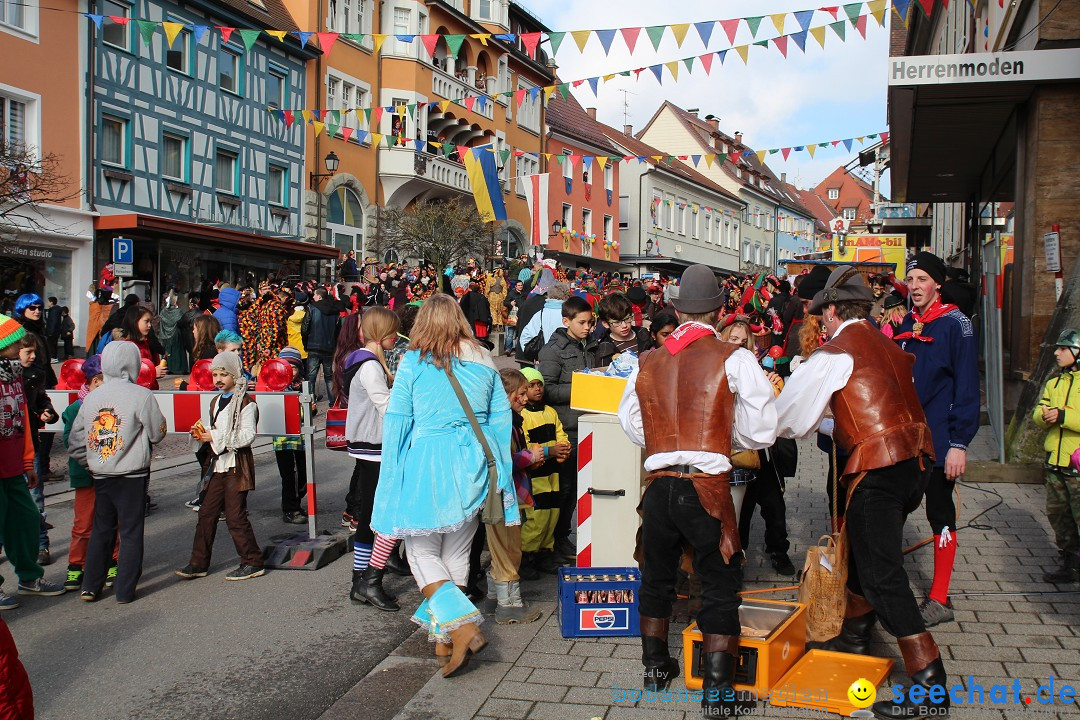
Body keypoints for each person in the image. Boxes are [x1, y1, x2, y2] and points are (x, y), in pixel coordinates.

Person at [775, 267, 948, 720]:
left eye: (822, 316)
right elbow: (860, 409)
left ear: (832, 311)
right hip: (914, 463)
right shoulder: (886, 345)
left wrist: (759, 415)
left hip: (880, 467)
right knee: (863, 555)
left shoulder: (836, 353)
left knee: (882, 574)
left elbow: (791, 419)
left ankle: (931, 686)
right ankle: (853, 641)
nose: (822, 325)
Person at [617, 265, 777, 719]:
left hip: (660, 484)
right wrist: (724, 441)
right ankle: (719, 691)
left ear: (679, 308)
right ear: (719, 311)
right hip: (706, 486)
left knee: (657, 578)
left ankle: (654, 667)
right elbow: (762, 428)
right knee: (719, 582)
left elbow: (630, 421)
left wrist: (667, 442)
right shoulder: (734, 356)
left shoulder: (648, 358)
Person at [371, 294, 519, 678]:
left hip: (428, 461)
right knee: (456, 551)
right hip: (475, 463)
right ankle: (445, 638)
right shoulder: (485, 363)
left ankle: (464, 628)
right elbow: (501, 422)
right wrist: (500, 473)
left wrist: (392, 473)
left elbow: (398, 421)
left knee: (420, 551)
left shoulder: (412, 363)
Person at [893, 251, 980, 627]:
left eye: (922, 280)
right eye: (911, 281)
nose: (915, 287)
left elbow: (967, 387)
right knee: (891, 508)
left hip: (941, 440)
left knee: (940, 514)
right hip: (905, 438)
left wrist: (960, 443)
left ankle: (940, 598)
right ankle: (885, 589)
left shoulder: (956, 324)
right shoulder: (904, 323)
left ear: (937, 284)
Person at [70, 341, 168, 603]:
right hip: (132, 473)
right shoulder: (140, 394)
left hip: (101, 473)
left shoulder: (91, 397)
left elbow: (76, 440)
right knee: (131, 532)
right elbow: (157, 433)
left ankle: (91, 585)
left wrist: (90, 463)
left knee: (102, 528)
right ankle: (124, 589)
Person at [176, 351, 265, 582]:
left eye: (223, 374)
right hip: (217, 464)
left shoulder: (246, 403)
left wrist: (213, 436)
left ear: (235, 375)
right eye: (215, 374)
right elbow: (216, 426)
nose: (218, 379)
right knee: (206, 513)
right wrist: (200, 433)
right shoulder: (216, 401)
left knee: (235, 516)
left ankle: (252, 561)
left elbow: (247, 436)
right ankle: (198, 563)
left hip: (236, 465)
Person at [0, 316, 67, 609]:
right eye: (15, 341)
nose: (20, 346)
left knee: (26, 521)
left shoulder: (16, 376)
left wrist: (28, 462)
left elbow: (23, 423)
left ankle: (29, 578)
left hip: (14, 466)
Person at [343, 308, 403, 611]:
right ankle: (363, 580)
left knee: (371, 513)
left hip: (368, 443)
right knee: (372, 514)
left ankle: (362, 579)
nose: (396, 336)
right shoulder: (369, 366)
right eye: (392, 331)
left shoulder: (363, 361)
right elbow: (387, 407)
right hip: (373, 445)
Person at [538, 295, 598, 561]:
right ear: (566, 321)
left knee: (575, 489)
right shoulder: (553, 350)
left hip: (585, 424)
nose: (587, 327)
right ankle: (551, 542)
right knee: (562, 489)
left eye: (590, 322)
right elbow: (546, 390)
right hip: (565, 428)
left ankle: (562, 537)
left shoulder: (590, 346)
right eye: (582, 322)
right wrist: (584, 388)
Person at [487, 367, 543, 624]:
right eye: (519, 394)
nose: (524, 399)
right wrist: (531, 456)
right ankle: (510, 605)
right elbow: (504, 461)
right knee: (508, 548)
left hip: (504, 494)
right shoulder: (504, 424)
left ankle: (493, 596)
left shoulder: (508, 421)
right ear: (506, 395)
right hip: (503, 495)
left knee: (504, 547)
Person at [61, 355, 118, 591]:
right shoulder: (75, 409)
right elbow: (70, 442)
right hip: (87, 475)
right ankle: (77, 564)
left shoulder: (112, 405)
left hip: (109, 474)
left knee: (112, 519)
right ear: (94, 382)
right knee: (83, 523)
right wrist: (92, 465)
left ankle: (113, 559)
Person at [1033, 329, 1080, 584]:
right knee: (1058, 514)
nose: (1056, 353)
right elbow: (1038, 414)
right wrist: (1045, 415)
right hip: (1055, 461)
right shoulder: (1054, 382)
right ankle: (1069, 562)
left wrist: (1063, 416)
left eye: (1063, 348)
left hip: (1077, 464)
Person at [518, 367, 570, 579]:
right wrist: (549, 451)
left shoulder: (550, 411)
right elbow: (526, 445)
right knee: (536, 518)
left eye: (539, 384)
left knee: (551, 514)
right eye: (531, 386)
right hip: (536, 475)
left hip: (552, 474)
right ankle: (527, 556)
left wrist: (563, 446)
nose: (537, 389)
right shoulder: (523, 415)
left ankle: (544, 552)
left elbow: (560, 432)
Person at [274, 346, 309, 525]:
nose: (289, 371)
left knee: (303, 475)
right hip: (283, 440)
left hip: (302, 439)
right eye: (285, 366)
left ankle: (296, 501)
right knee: (290, 476)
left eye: (293, 367)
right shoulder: (276, 385)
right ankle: (290, 508)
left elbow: (309, 409)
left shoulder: (303, 384)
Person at [301, 287, 343, 404]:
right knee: (329, 376)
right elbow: (338, 331)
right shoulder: (335, 311)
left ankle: (309, 401)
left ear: (319, 296)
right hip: (329, 347)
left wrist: (306, 343)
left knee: (311, 375)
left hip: (313, 345)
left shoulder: (312, 308)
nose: (313, 297)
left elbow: (305, 328)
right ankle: (332, 401)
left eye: (314, 295)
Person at [595, 292, 654, 367]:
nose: (624, 325)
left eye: (627, 319)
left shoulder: (644, 335)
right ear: (605, 324)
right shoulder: (604, 349)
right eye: (617, 322)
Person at [518, 282, 571, 357]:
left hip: (543, 359)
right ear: (566, 296)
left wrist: (534, 356)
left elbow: (525, 337)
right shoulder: (570, 314)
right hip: (567, 358)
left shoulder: (540, 314)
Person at [44, 296, 61, 360]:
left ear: (51, 302)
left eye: (48, 301)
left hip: (52, 332)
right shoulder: (54, 310)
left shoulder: (54, 311)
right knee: (53, 344)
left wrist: (51, 331)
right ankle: (54, 357)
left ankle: (53, 357)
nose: (47, 303)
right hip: (54, 331)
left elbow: (53, 321)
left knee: (51, 345)